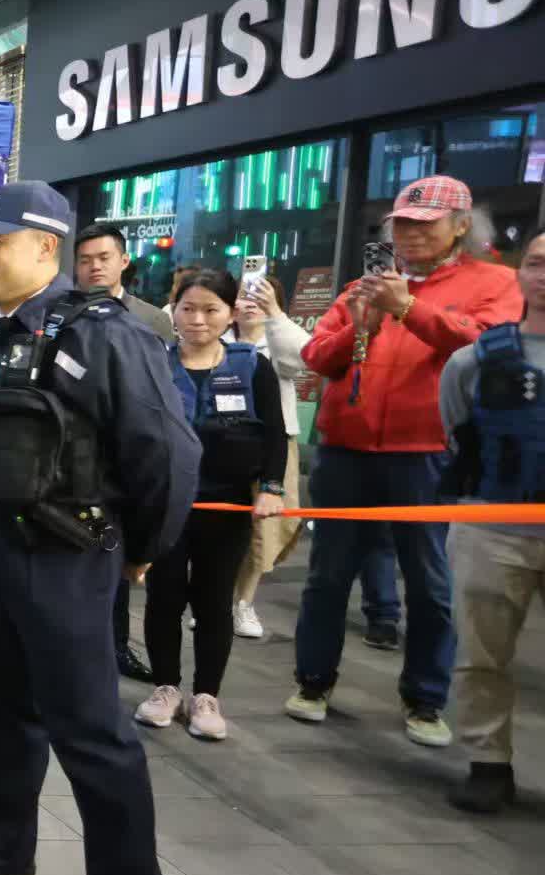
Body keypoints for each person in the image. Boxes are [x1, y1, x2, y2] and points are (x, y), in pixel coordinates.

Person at [0, 181, 199, 875]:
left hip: (67, 556)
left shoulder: (106, 334)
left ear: (46, 249)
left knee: (92, 733)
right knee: (0, 710)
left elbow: (168, 453)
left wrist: (139, 548)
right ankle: (4, 846)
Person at [288, 175, 522, 745]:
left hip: (428, 454)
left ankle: (425, 699)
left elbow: (485, 348)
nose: (411, 234)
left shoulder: (494, 283)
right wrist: (360, 326)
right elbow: (317, 354)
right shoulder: (363, 286)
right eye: (402, 225)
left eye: (425, 224)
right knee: (327, 575)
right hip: (346, 449)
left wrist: (410, 308)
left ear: (461, 226)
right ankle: (313, 682)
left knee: (429, 581)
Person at [135, 270, 287, 740]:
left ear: (229, 313)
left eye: (210, 309)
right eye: (188, 308)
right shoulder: (153, 364)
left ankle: (206, 696)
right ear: (173, 310)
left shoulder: (251, 366)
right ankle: (165, 688)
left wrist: (272, 488)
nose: (198, 319)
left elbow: (275, 433)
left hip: (227, 508)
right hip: (168, 506)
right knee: (163, 597)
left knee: (214, 601)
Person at [436, 229, 545, 813]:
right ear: (520, 274)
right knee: (481, 653)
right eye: (535, 263)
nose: (544, 275)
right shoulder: (475, 358)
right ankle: (488, 761)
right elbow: (457, 429)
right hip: (491, 526)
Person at [73, 224, 172, 684]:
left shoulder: (151, 320)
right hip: (76, 463)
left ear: (123, 261)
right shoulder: (64, 316)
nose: (95, 267)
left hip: (129, 459)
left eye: (104, 258)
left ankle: (115, 648)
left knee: (119, 566)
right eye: (86, 259)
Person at [227, 273, 310, 640]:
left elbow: (303, 359)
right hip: (224, 444)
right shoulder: (216, 338)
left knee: (266, 528)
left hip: (275, 444)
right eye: (243, 295)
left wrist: (276, 316)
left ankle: (243, 603)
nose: (249, 302)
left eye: (259, 296)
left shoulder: (278, 341)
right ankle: (211, 599)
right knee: (223, 526)